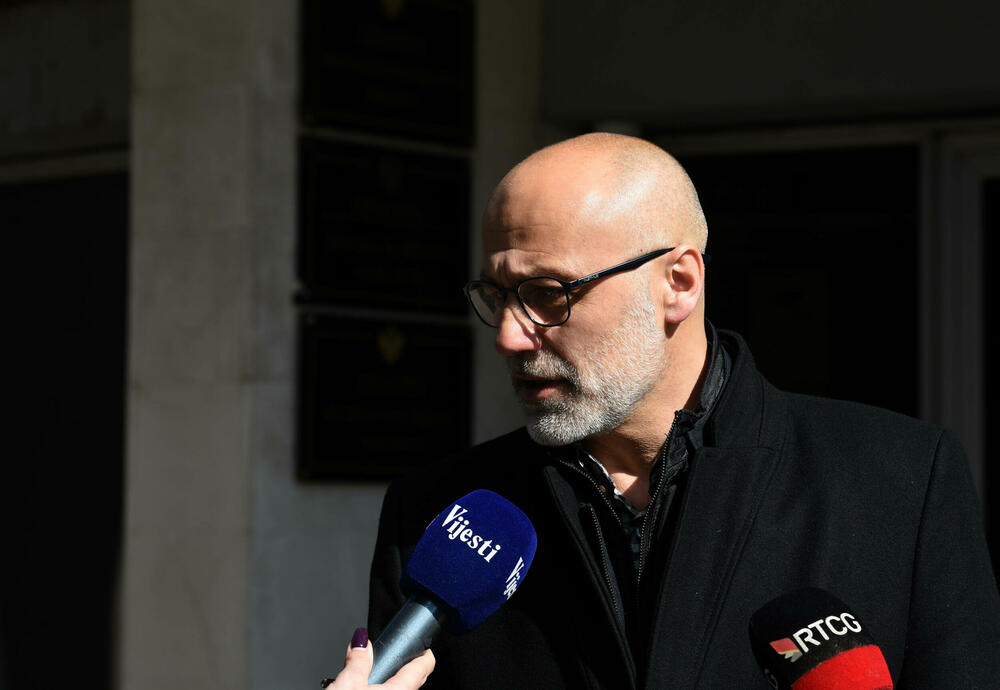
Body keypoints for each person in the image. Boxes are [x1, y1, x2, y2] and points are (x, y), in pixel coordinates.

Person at [366, 133, 1000, 688]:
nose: (509, 335)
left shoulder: (899, 481)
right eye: (498, 295)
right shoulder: (435, 515)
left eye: (547, 293)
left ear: (679, 283)